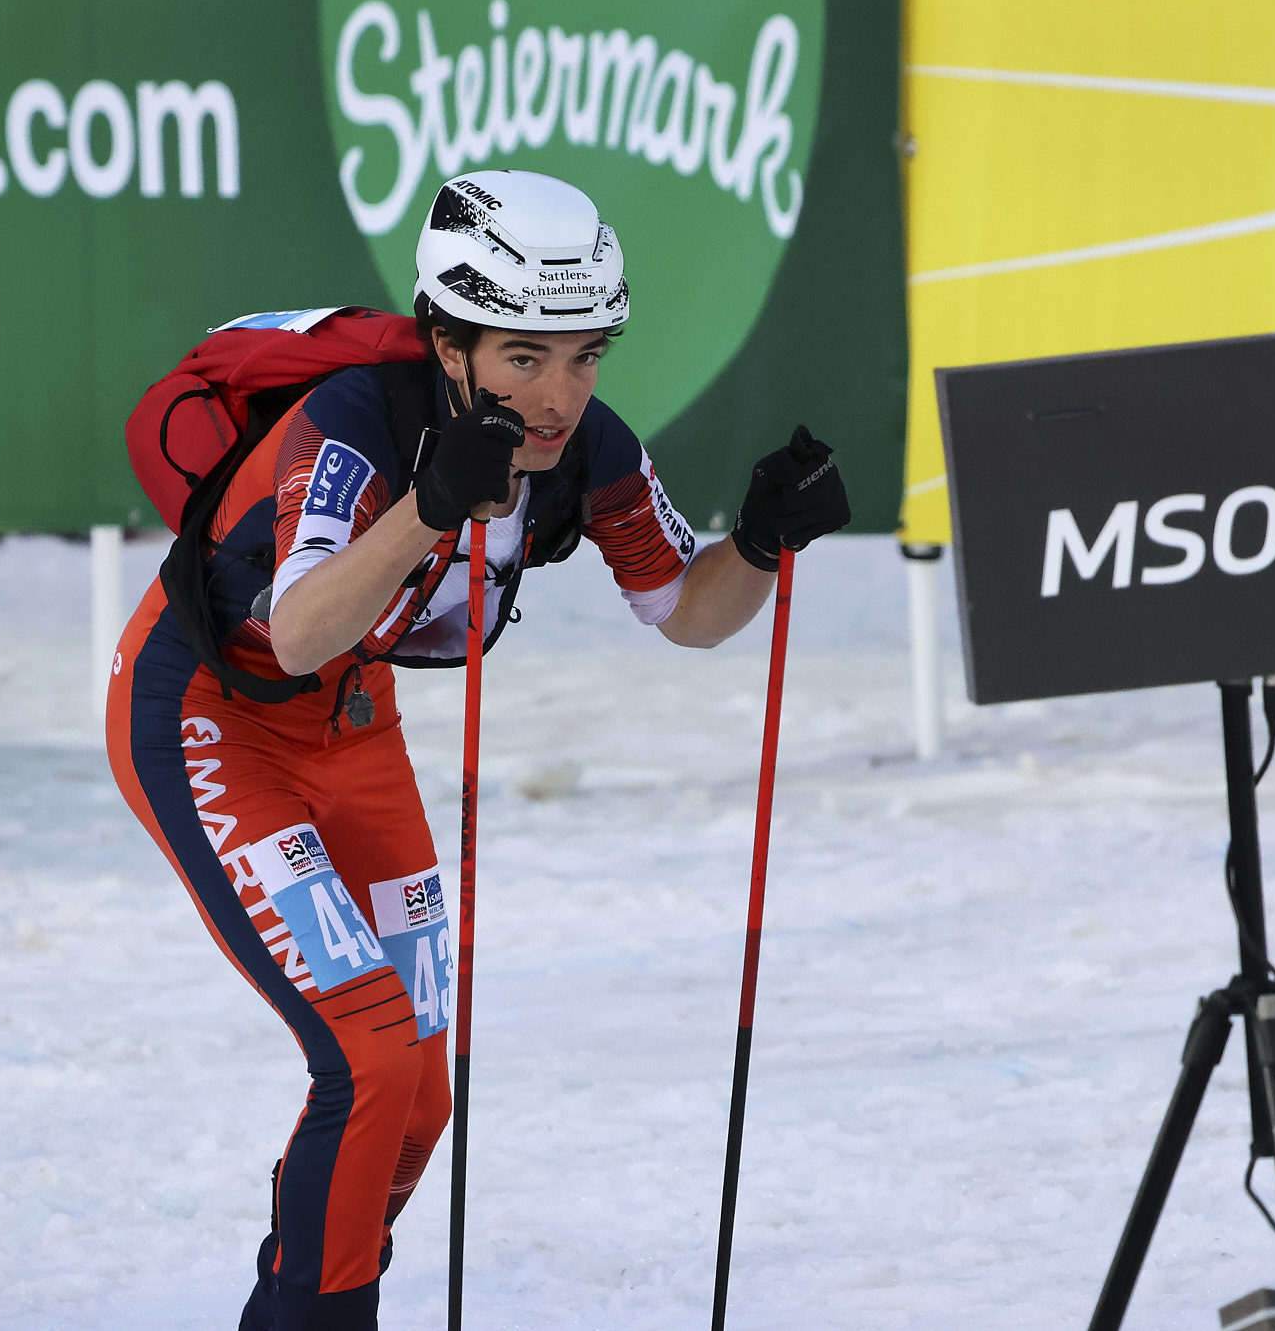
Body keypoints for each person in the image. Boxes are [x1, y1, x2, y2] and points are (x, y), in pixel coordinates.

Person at [106, 169, 850, 1330]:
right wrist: (430, 506)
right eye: (523, 358)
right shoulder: (352, 423)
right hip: (209, 715)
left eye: (585, 356)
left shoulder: (586, 445)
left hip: (350, 726)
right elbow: (299, 631)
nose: (558, 397)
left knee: (416, 1099)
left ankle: (293, 1300)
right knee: (366, 1055)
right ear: (446, 344)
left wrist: (759, 539)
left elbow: (685, 613)